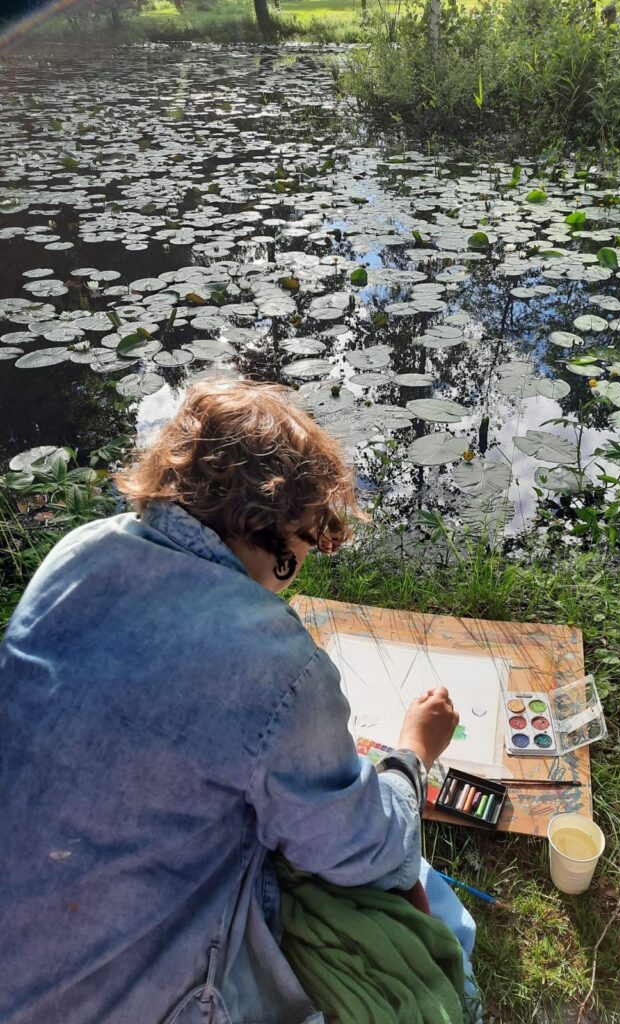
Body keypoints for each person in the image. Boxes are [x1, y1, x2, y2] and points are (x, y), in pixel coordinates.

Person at [0, 380, 477, 1024]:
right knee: (432, 911)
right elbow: (361, 850)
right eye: (308, 545)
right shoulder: (275, 660)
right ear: (276, 535)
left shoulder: (77, 552)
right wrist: (412, 754)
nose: (302, 566)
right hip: (134, 1001)